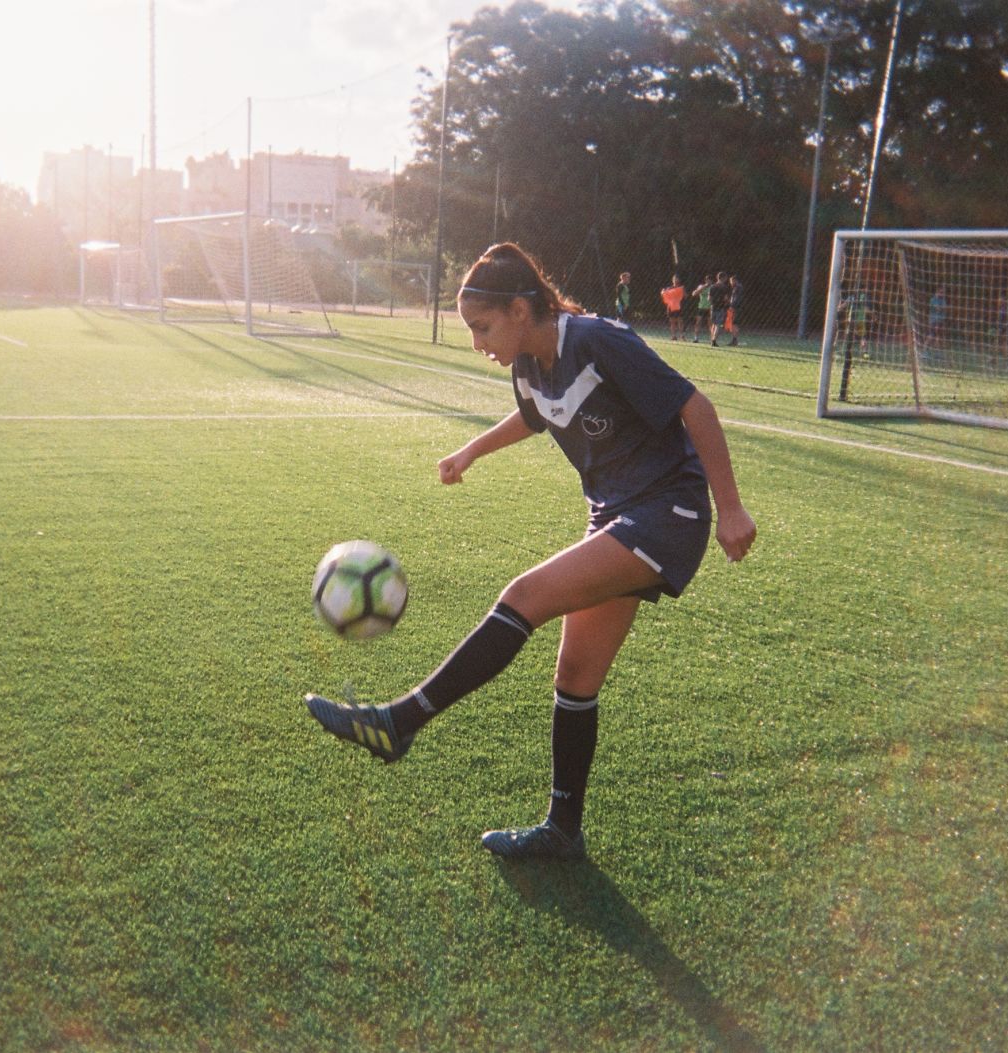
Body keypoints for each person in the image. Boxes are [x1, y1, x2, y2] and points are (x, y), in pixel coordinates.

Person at [305, 242, 757, 862]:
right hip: (615, 516)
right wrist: (470, 451)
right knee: (575, 678)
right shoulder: (527, 365)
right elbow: (533, 417)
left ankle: (399, 722)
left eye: (482, 326)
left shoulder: (597, 341)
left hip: (666, 513)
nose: (477, 342)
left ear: (522, 309)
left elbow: (694, 407)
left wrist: (730, 507)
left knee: (524, 596)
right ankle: (562, 831)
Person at [660, 275, 686, 340]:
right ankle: (673, 336)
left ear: (679, 280)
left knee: (680, 321)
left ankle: (682, 336)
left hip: (679, 307)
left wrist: (682, 292)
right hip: (671, 307)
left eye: (676, 279)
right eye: (674, 279)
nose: (675, 280)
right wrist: (662, 292)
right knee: (672, 322)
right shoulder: (669, 288)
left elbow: (685, 296)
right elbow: (664, 295)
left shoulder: (681, 288)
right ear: (672, 280)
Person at [689, 275, 713, 342]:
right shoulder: (701, 286)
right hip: (701, 307)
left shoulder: (713, 287)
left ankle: (712, 339)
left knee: (710, 324)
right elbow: (694, 294)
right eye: (707, 280)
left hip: (710, 308)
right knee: (698, 323)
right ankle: (696, 338)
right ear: (705, 280)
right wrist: (704, 286)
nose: (708, 281)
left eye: (710, 280)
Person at [723, 274, 743, 347]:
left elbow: (736, 299)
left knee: (734, 323)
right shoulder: (737, 287)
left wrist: (732, 306)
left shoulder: (738, 287)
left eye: (731, 281)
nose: (730, 283)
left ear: (734, 280)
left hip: (735, 308)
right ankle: (734, 340)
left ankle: (734, 340)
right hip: (735, 307)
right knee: (734, 324)